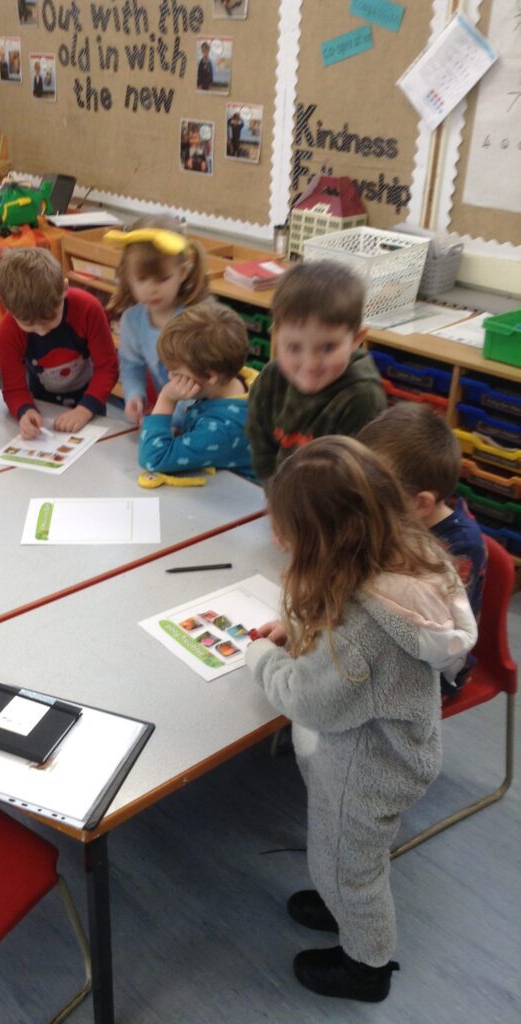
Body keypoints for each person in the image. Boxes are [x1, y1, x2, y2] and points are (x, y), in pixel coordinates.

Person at [247, 436, 477, 1003]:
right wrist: (299, 628)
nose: (277, 540)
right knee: (343, 856)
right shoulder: (397, 555)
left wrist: (262, 659)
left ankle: (366, 967)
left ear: (325, 540)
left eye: (288, 531)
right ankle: (337, 901)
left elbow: (309, 698)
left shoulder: (364, 630)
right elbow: (345, 617)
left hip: (367, 769)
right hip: (383, 751)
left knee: (353, 871)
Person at [358, 402, 487, 700]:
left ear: (420, 503)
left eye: (373, 491)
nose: (362, 499)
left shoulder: (460, 546)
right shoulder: (396, 512)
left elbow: (438, 634)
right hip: (384, 634)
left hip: (432, 671)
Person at [245, 260, 386, 482]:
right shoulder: (271, 379)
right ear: (276, 336)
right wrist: (273, 491)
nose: (310, 365)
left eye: (328, 348)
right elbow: (261, 450)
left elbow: (353, 481)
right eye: (294, 347)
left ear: (356, 340)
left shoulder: (362, 398)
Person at [0, 247, 119, 439]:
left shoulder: (88, 308)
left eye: (49, 320)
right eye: (29, 325)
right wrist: (25, 410)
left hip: (90, 405)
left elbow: (107, 368)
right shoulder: (8, 330)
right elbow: (13, 388)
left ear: (65, 288)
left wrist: (85, 410)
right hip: (42, 407)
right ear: (4, 303)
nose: (42, 331)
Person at [106, 217, 208, 425]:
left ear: (182, 272)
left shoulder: (199, 319)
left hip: (208, 418)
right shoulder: (132, 320)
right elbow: (131, 365)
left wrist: (163, 418)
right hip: (172, 417)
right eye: (141, 279)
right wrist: (134, 395)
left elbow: (202, 386)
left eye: (162, 279)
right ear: (128, 277)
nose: (151, 289)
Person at [137, 302, 257, 480]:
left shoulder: (222, 429)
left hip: (232, 493)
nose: (170, 377)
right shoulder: (237, 381)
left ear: (210, 376)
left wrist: (166, 399)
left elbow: (153, 458)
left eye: (177, 373)